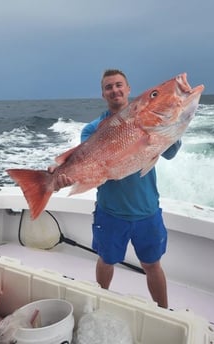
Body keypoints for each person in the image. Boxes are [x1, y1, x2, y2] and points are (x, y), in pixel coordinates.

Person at [51, 69, 181, 308]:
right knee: (106, 260)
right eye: (109, 87)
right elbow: (89, 164)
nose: (115, 90)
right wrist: (61, 178)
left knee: (152, 265)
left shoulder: (151, 122)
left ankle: (165, 311)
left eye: (119, 85)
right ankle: (101, 302)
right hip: (110, 213)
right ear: (103, 94)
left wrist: (170, 122)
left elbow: (170, 152)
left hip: (147, 210)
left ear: (128, 89)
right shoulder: (92, 130)